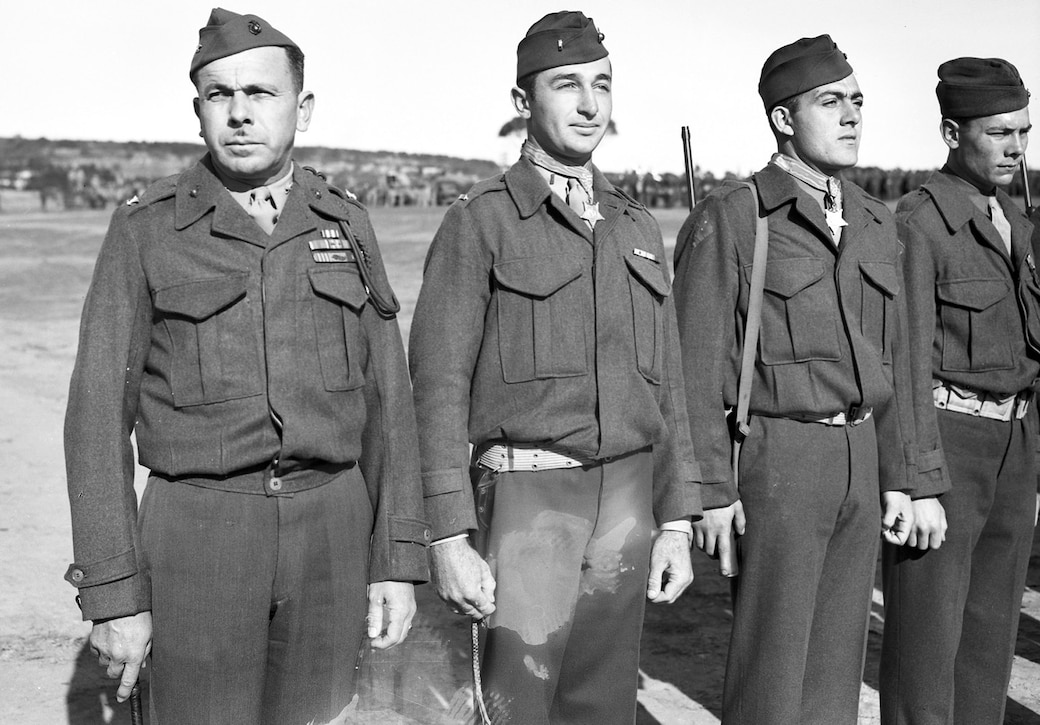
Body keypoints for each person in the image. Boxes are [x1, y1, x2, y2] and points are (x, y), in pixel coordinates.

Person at [62, 9, 429, 724]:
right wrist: (114, 593)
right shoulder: (147, 228)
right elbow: (96, 413)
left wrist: (395, 559)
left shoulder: (345, 222)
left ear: (303, 107)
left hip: (331, 524)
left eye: (260, 94)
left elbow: (391, 403)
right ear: (197, 109)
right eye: (219, 95)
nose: (239, 114)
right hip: (200, 530)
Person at [408, 11, 701, 724]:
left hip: (628, 498)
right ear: (522, 103)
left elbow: (669, 388)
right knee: (517, 703)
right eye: (566, 85)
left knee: (604, 705)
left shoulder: (636, 227)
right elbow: (438, 387)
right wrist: (447, 533)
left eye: (601, 84)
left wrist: (678, 521)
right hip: (526, 501)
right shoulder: (481, 222)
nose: (590, 104)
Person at [671, 34, 915, 725]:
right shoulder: (737, 216)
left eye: (858, 101)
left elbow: (890, 363)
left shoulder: (872, 219)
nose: (851, 116)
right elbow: (694, 373)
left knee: (835, 673)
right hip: (780, 459)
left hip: (859, 458)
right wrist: (711, 493)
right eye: (830, 101)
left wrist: (898, 475)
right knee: (772, 675)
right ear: (783, 118)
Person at [880, 57, 1036, 725]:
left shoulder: (1019, 221)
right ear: (952, 132)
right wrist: (917, 479)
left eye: (1024, 132)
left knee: (989, 640)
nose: (1016, 148)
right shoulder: (919, 221)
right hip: (948, 443)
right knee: (927, 646)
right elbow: (905, 361)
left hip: (1016, 445)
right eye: (1000, 133)